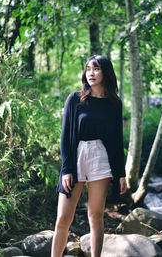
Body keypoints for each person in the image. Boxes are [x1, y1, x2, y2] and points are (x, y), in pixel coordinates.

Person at [51, 55, 127, 257]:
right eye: (88, 69)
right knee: (63, 219)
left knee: (96, 216)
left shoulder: (114, 103)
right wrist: (67, 169)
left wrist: (121, 173)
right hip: (76, 158)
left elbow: (117, 141)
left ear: (106, 72)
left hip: (100, 159)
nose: (91, 73)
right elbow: (65, 137)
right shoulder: (75, 99)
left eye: (96, 69)